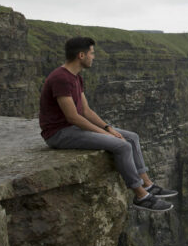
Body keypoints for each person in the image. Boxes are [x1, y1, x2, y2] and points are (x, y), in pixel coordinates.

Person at [39, 36, 177, 212]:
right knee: (122, 146)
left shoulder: (76, 77)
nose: (93, 57)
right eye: (92, 53)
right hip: (59, 133)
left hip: (72, 128)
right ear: (81, 55)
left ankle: (148, 184)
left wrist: (107, 128)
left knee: (132, 137)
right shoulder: (61, 78)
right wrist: (106, 135)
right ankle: (141, 195)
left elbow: (86, 111)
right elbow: (73, 117)